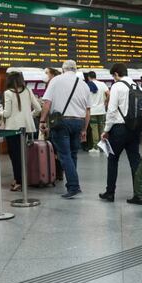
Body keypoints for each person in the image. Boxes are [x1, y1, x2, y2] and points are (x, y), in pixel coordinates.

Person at [40, 60, 91, 199]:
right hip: (79, 122)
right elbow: (87, 111)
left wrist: (42, 120)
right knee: (73, 154)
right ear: (75, 70)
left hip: (62, 122)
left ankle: (74, 186)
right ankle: (72, 185)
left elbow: (47, 103)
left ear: (63, 70)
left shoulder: (56, 80)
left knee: (64, 155)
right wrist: (84, 129)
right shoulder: (84, 84)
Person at [99, 63, 141, 203]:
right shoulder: (136, 86)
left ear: (116, 74)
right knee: (135, 161)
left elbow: (111, 111)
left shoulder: (117, 86)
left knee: (112, 159)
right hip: (134, 128)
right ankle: (139, 195)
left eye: (113, 76)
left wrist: (106, 130)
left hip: (119, 129)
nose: (113, 79)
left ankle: (110, 193)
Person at [0, 72, 41, 191]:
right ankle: (20, 179)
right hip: (27, 128)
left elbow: (7, 113)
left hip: (13, 129)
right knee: (23, 155)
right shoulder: (28, 91)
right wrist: (29, 115)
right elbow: (38, 108)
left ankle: (19, 181)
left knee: (15, 156)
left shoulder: (8, 93)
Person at [88, 71, 110, 153]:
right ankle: (103, 147)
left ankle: (96, 147)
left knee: (94, 128)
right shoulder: (102, 84)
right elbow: (109, 94)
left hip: (92, 111)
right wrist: (106, 102)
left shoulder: (88, 85)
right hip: (102, 110)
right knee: (102, 128)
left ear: (89, 77)